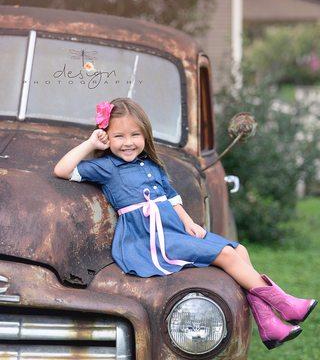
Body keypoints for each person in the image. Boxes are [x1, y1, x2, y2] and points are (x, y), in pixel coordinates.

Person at [54, 97, 317, 350]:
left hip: (174, 230)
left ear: (145, 135)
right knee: (225, 254)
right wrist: (90, 144)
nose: (128, 143)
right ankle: (283, 304)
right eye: (118, 136)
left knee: (240, 250)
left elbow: (171, 197)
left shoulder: (151, 165)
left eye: (135, 135)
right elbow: (62, 170)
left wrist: (189, 222)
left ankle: (269, 324)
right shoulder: (107, 167)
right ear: (106, 137)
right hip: (149, 239)